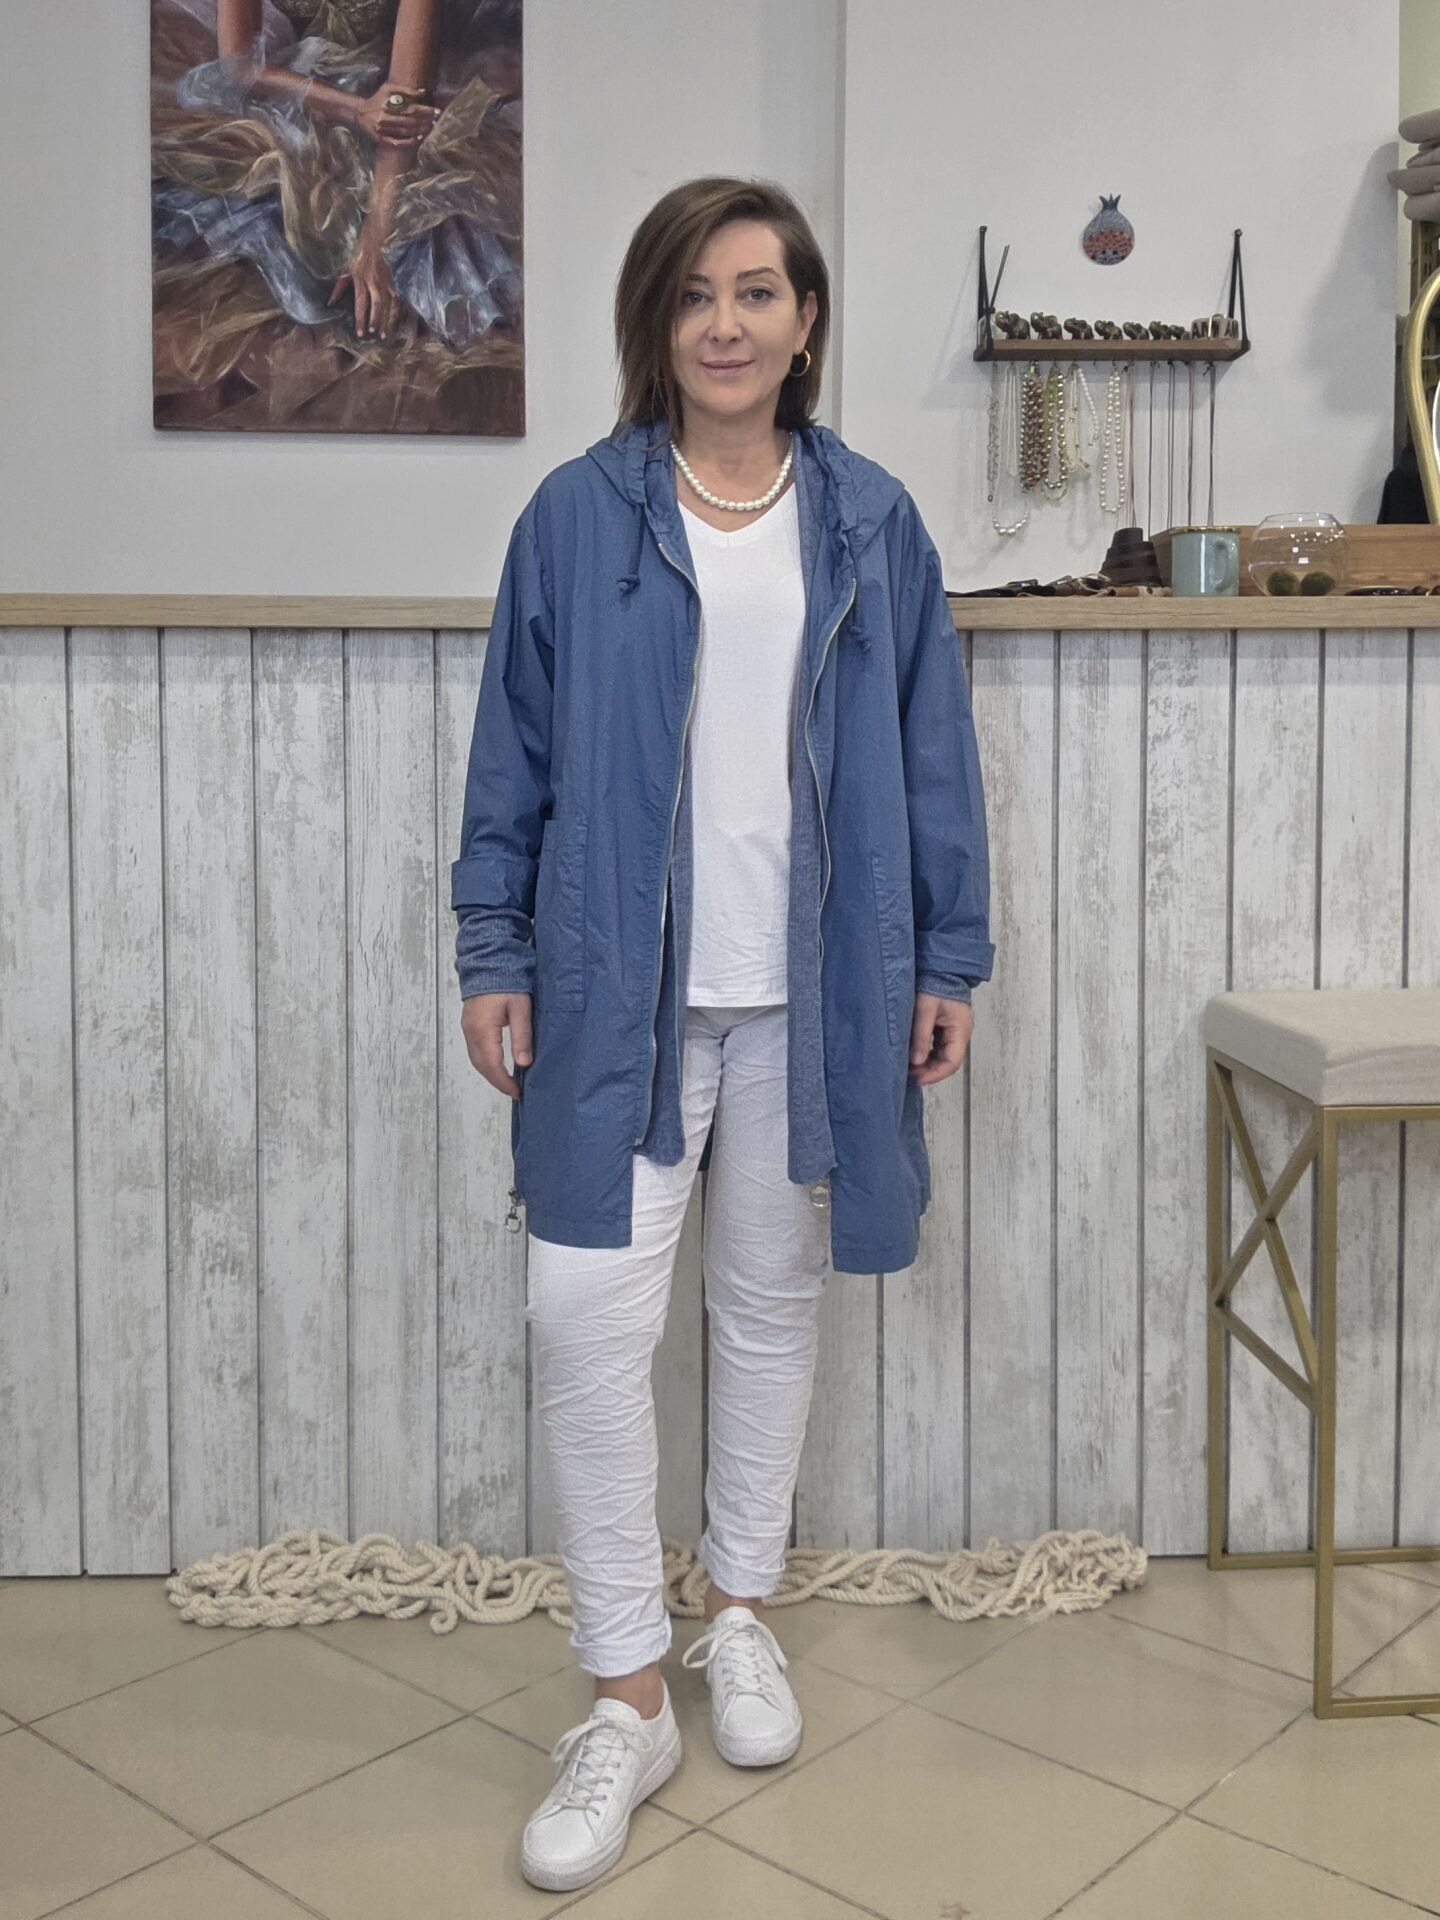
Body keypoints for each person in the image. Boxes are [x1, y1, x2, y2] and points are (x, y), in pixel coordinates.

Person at [452, 176, 994, 1893]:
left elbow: (931, 750)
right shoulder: (577, 516)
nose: (727, 323)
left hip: (815, 995)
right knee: (583, 1319)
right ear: (656, 323)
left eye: (758, 291)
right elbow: (512, 751)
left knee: (767, 1311)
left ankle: (738, 1612)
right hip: (619, 990)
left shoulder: (873, 521)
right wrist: (491, 945)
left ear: (805, 321)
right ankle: (627, 1692)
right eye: (694, 294)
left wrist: (950, 958)